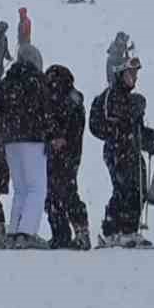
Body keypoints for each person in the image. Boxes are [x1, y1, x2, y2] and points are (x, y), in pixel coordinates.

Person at [90, 58, 154, 248]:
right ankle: (113, 231)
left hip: (131, 149)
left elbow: (136, 129)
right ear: (121, 74)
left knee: (138, 188)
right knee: (123, 188)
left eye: (136, 74)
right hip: (116, 149)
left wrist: (151, 138)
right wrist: (123, 128)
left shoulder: (130, 98)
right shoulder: (112, 94)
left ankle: (130, 229)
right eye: (131, 74)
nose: (134, 78)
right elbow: (110, 123)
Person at [0, 45, 51, 248]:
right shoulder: (38, 81)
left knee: (20, 189)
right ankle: (26, 232)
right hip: (33, 139)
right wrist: (50, 133)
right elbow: (46, 110)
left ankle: (13, 231)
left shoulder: (7, 81)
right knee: (37, 188)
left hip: (10, 140)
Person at [44, 65, 90, 250]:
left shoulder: (66, 100)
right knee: (58, 193)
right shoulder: (71, 99)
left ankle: (75, 233)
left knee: (64, 192)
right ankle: (64, 234)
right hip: (66, 153)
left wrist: (57, 136)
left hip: (65, 153)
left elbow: (66, 125)